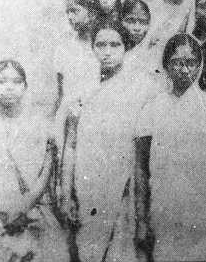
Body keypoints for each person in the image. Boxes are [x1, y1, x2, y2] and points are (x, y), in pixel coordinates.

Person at [58, 21, 157, 262]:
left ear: (126, 47)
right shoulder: (82, 90)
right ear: (92, 48)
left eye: (115, 45)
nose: (107, 51)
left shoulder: (143, 88)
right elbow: (70, 144)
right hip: (88, 188)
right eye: (101, 45)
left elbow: (144, 152)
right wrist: (67, 194)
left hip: (126, 188)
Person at [135, 33, 206, 261]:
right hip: (166, 206)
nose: (184, 69)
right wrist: (142, 219)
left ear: (200, 65)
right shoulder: (153, 108)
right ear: (166, 65)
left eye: (191, 62)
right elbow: (141, 168)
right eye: (176, 62)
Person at [0, 60, 68, 262]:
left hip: (34, 210)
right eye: (2, 81)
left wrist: (23, 206)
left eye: (17, 81)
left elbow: (46, 171)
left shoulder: (39, 125)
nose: (9, 87)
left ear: (25, 86)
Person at [53, 0, 101, 114]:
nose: (70, 17)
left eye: (75, 11)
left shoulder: (102, 46)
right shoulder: (63, 48)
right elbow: (60, 92)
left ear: (92, 14)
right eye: (68, 12)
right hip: (70, 111)